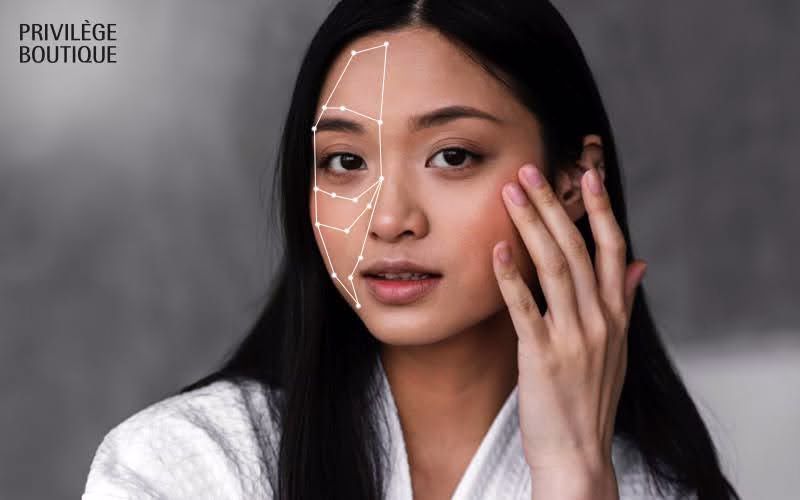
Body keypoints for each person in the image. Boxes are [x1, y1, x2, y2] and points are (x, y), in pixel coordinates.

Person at [82, 1, 740, 499]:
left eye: (452, 156)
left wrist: (572, 473)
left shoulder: (652, 488)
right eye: (345, 162)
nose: (390, 219)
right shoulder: (184, 465)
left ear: (574, 181)